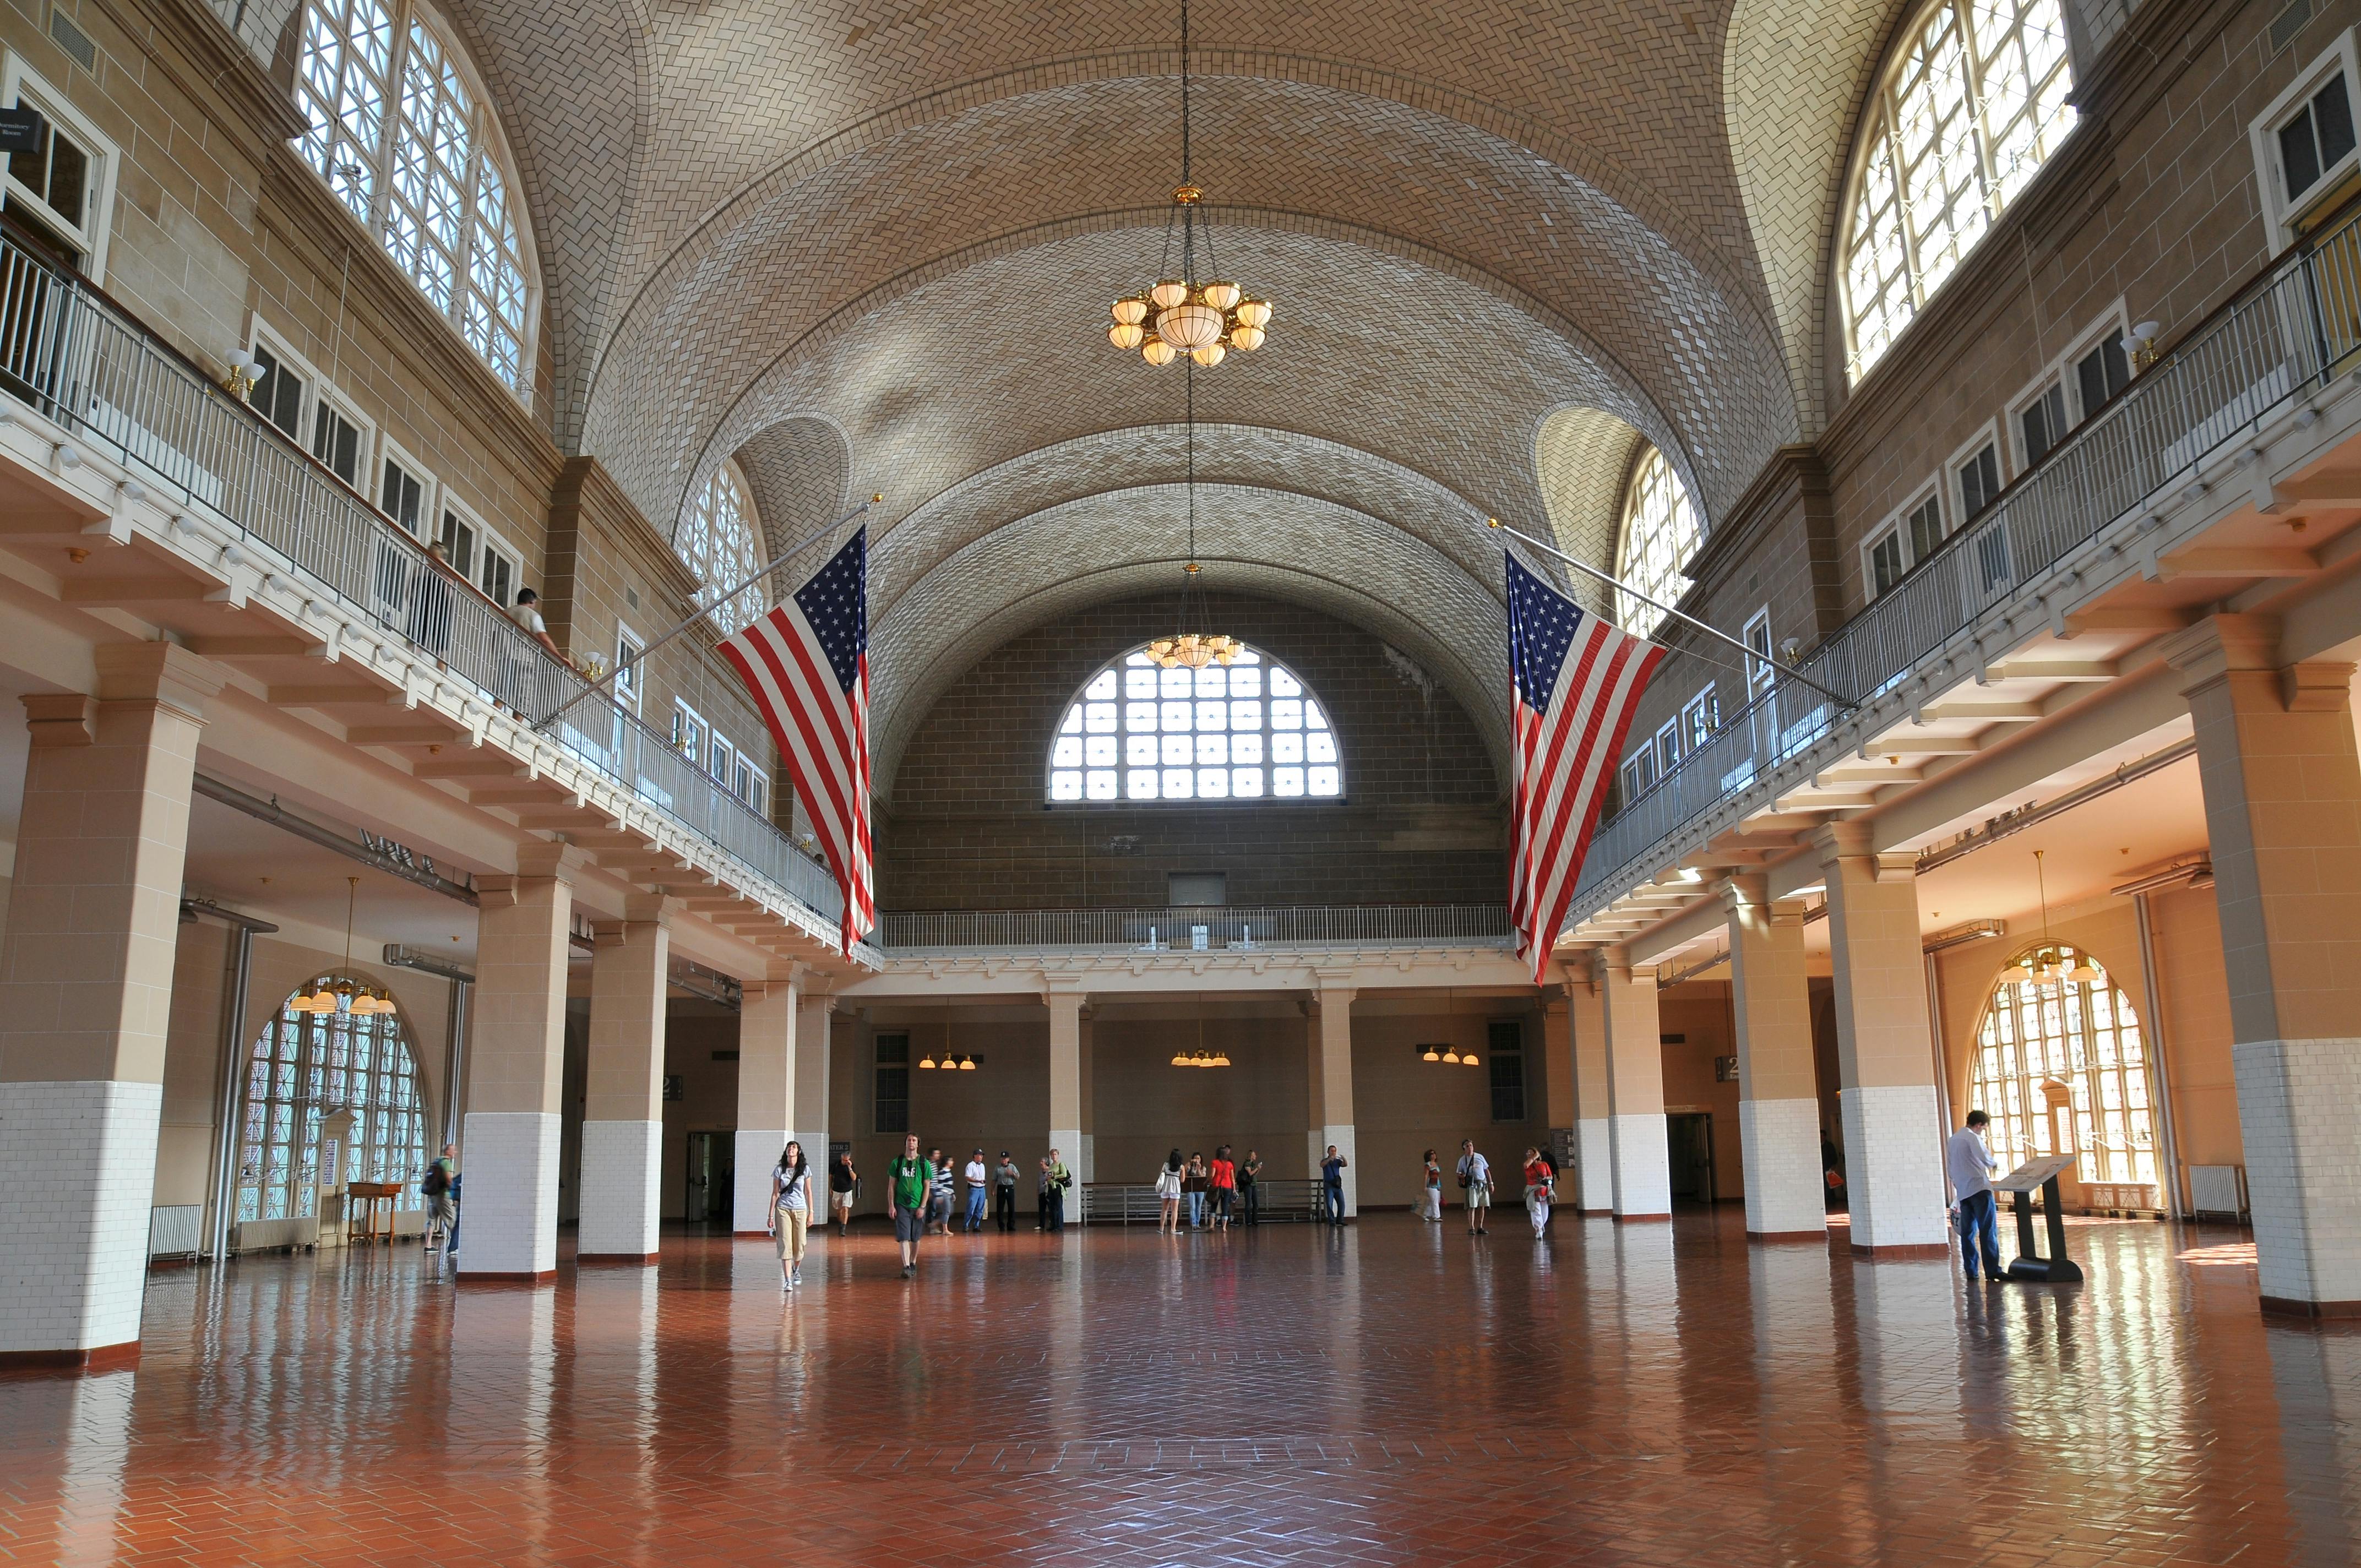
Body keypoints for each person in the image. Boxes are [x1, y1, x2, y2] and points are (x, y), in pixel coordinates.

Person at [1947, 1109, 2005, 1283]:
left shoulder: (1954, 1139)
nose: (1983, 1131)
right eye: (1984, 1128)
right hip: (1980, 1188)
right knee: (1988, 1230)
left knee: (1968, 1233)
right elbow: (1984, 1156)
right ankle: (1993, 1270)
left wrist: (1957, 1183)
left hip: (1964, 1191)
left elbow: (1950, 1166)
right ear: (1979, 1125)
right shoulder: (1972, 1137)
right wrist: (1994, 1164)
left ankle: (1971, 1270)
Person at [769, 1140, 813, 1289]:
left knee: (800, 1244)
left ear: (799, 1151)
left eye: (794, 1147)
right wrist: (770, 1215)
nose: (791, 1149)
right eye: (789, 1147)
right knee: (785, 1243)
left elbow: (808, 1192)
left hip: (800, 1209)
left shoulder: (805, 1170)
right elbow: (775, 1193)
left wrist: (811, 1212)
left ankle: (796, 1270)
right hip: (783, 1209)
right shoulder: (779, 1170)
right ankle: (788, 1279)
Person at [888, 1134, 929, 1278]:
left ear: (918, 1144)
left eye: (914, 1140)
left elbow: (927, 1186)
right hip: (902, 1205)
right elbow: (892, 1186)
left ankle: (913, 1262)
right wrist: (891, 1205)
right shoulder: (897, 1162)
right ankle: (906, 1266)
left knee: (915, 1238)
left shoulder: (924, 1163)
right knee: (904, 1236)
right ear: (905, 1143)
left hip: (917, 1205)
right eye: (909, 1140)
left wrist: (923, 1207)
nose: (911, 1143)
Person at [421, 1142, 457, 1252]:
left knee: (431, 1220)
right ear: (448, 1151)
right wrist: (454, 1194)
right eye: (454, 1150)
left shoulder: (437, 1161)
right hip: (443, 1195)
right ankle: (454, 1247)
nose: (455, 1152)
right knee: (452, 1220)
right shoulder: (446, 1163)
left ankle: (428, 1245)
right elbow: (449, 1180)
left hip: (433, 1195)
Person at [1456, 1140, 1492, 1235]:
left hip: (1482, 1184)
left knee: (1482, 1206)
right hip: (1472, 1185)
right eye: (1467, 1146)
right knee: (1472, 1206)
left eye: (1471, 1145)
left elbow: (1486, 1170)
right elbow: (1459, 1173)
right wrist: (1462, 1177)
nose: (1470, 1148)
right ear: (1464, 1148)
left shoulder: (1480, 1157)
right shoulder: (1463, 1160)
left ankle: (1480, 1227)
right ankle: (1471, 1227)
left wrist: (1491, 1183)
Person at [1522, 1146, 1555, 1238]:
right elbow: (1526, 1165)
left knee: (1544, 1213)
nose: (1529, 1155)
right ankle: (1538, 1229)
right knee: (1536, 1211)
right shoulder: (1528, 1165)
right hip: (1533, 1191)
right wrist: (1533, 1158)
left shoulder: (1544, 1164)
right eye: (1528, 1153)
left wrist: (1545, 1179)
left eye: (1531, 1153)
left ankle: (1541, 1226)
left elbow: (1550, 1176)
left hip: (1544, 1190)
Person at [1155, 1148, 1185, 1234]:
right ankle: (1173, 1229)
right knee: (1174, 1210)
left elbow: (1161, 1174)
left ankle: (1161, 1229)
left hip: (1165, 1188)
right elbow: (1183, 1180)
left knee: (1164, 1209)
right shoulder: (1182, 1167)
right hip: (1175, 1189)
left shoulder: (1166, 1165)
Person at [1041, 1148, 1072, 1232]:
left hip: (1058, 1187)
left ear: (1058, 1155)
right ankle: (1053, 1225)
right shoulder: (1051, 1166)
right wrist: (1048, 1180)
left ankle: (1059, 1226)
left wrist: (1055, 1177)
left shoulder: (1061, 1164)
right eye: (1052, 1155)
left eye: (1055, 1154)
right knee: (1052, 1207)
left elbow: (1064, 1174)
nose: (1054, 1156)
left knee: (1058, 1207)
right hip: (1051, 1186)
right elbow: (1049, 1175)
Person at [927, 1149, 955, 1235]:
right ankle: (940, 1228)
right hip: (941, 1193)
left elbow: (949, 1185)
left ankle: (934, 1224)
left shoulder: (944, 1170)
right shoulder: (940, 1171)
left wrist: (953, 1193)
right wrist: (938, 1195)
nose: (938, 1155)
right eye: (936, 1154)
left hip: (946, 1193)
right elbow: (939, 1184)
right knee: (944, 1211)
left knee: (948, 1211)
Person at [1209, 1145, 1237, 1231]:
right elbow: (1232, 1178)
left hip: (1217, 1185)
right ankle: (1224, 1227)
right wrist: (1234, 1189)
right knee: (1225, 1206)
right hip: (1228, 1186)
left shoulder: (1215, 1162)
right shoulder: (1230, 1164)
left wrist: (1207, 1181)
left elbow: (1212, 1175)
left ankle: (1212, 1226)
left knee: (1214, 1206)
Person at [829, 1151, 857, 1237]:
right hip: (837, 1190)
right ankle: (841, 1224)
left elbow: (854, 1178)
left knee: (846, 1209)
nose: (846, 1162)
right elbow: (831, 1176)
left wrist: (850, 1168)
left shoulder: (851, 1165)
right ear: (842, 1159)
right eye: (844, 1160)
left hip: (847, 1190)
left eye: (847, 1160)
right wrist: (830, 1187)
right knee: (839, 1210)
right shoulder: (836, 1165)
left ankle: (843, 1229)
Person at [1319, 1144, 1348, 1226]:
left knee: (1342, 1203)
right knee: (1329, 1204)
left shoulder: (1337, 1161)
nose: (1333, 1153)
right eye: (1332, 1151)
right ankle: (1332, 1221)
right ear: (1328, 1152)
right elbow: (1322, 1165)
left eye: (1335, 1151)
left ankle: (1340, 1220)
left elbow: (1345, 1165)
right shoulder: (1325, 1161)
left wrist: (1343, 1158)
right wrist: (1329, 1159)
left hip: (1337, 1185)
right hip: (1329, 1185)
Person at [962, 1148, 989, 1234]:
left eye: (982, 1155)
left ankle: (976, 1225)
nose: (981, 1157)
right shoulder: (970, 1166)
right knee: (971, 1208)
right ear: (975, 1156)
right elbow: (967, 1177)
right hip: (974, 1189)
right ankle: (966, 1225)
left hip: (982, 1189)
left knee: (980, 1208)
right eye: (979, 1155)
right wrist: (977, 1181)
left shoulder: (982, 1166)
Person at [994, 1151, 1019, 1232]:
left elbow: (1018, 1177)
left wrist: (1012, 1174)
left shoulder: (1012, 1167)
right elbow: (994, 1179)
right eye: (1002, 1159)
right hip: (1001, 1188)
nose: (1003, 1160)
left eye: (1005, 1159)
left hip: (1010, 1188)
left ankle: (1011, 1225)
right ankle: (1001, 1225)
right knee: (1000, 1208)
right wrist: (992, 1189)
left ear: (1008, 1159)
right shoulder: (997, 1168)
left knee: (1011, 1207)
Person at [1183, 1152, 1209, 1230]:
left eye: (1198, 1158)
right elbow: (1184, 1169)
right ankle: (1193, 1223)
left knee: (1198, 1207)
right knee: (1192, 1207)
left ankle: (1197, 1223)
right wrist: (1190, 1163)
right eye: (1195, 1158)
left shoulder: (1203, 1168)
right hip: (1191, 1189)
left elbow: (1202, 1177)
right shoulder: (1190, 1167)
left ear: (1201, 1160)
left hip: (1200, 1190)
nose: (1197, 1160)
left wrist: (1198, 1169)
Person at [1239, 1150, 1262, 1226]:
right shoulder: (1247, 1164)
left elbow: (1254, 1174)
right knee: (1249, 1204)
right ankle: (1248, 1221)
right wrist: (1256, 1169)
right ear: (1251, 1156)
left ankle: (1255, 1220)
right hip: (1248, 1185)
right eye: (1254, 1155)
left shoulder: (1253, 1164)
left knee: (1256, 1203)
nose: (1256, 1156)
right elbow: (1250, 1173)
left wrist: (1258, 1169)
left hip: (1254, 1185)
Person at [1419, 1148, 1443, 1222]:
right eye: (1432, 1154)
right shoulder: (1428, 1165)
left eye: (1434, 1153)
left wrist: (1439, 1185)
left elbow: (1438, 1177)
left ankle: (1425, 1214)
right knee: (1435, 1201)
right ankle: (1437, 1216)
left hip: (1437, 1185)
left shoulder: (1436, 1164)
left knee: (1435, 1201)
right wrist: (1425, 1186)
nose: (1434, 1155)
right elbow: (1426, 1176)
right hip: (1431, 1185)